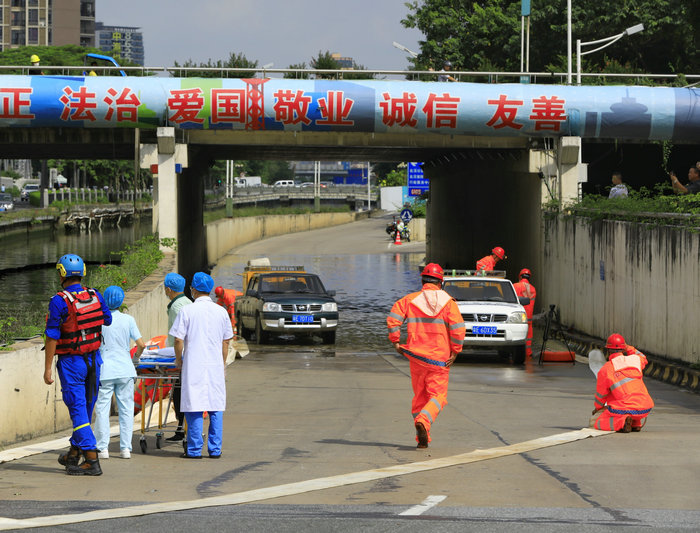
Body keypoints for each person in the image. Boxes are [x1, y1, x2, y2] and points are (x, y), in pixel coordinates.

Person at [43, 254, 112, 475]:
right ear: (82, 272)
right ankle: (74, 453)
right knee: (86, 409)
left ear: (62, 273)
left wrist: (47, 369)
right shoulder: (95, 295)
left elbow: (52, 336)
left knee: (77, 410)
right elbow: (107, 319)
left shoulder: (59, 301)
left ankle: (92, 460)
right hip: (94, 360)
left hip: (72, 362)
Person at [387, 263, 465, 449]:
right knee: (438, 396)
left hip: (416, 357)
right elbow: (458, 329)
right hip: (439, 359)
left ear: (422, 280)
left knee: (420, 397)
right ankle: (424, 421)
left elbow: (393, 318)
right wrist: (455, 351)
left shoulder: (410, 300)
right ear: (441, 282)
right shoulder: (449, 303)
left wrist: (396, 342)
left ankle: (422, 436)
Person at [170, 272, 233, 459]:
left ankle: (194, 449)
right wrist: (222, 363)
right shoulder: (221, 311)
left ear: (194, 290)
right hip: (214, 365)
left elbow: (178, 340)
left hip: (193, 365)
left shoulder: (187, 311)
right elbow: (226, 342)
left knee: (194, 406)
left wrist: (179, 359)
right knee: (215, 406)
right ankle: (215, 449)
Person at [94, 286, 145, 460]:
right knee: (126, 409)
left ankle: (102, 449)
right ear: (121, 301)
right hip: (125, 369)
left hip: (104, 370)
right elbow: (141, 344)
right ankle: (125, 449)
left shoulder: (99, 320)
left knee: (102, 409)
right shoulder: (128, 320)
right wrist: (136, 359)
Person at [590, 333, 654, 433]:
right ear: (623, 348)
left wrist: (598, 408)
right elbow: (643, 357)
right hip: (646, 407)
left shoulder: (606, 369)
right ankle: (636, 423)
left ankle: (623, 422)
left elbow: (600, 395)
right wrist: (628, 348)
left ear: (608, 350)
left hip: (626, 409)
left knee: (597, 423)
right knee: (629, 393)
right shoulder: (635, 360)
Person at [164, 272, 191, 441]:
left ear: (168, 289)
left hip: (180, 355)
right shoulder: (188, 302)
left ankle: (181, 428)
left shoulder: (175, 307)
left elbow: (177, 336)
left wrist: (176, 358)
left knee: (179, 392)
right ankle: (184, 428)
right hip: (189, 352)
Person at [512, 268, 536, 359]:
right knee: (528, 336)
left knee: (516, 334)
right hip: (528, 317)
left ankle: (515, 353)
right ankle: (528, 352)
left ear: (520, 276)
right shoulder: (533, 289)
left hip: (518, 316)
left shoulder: (515, 286)